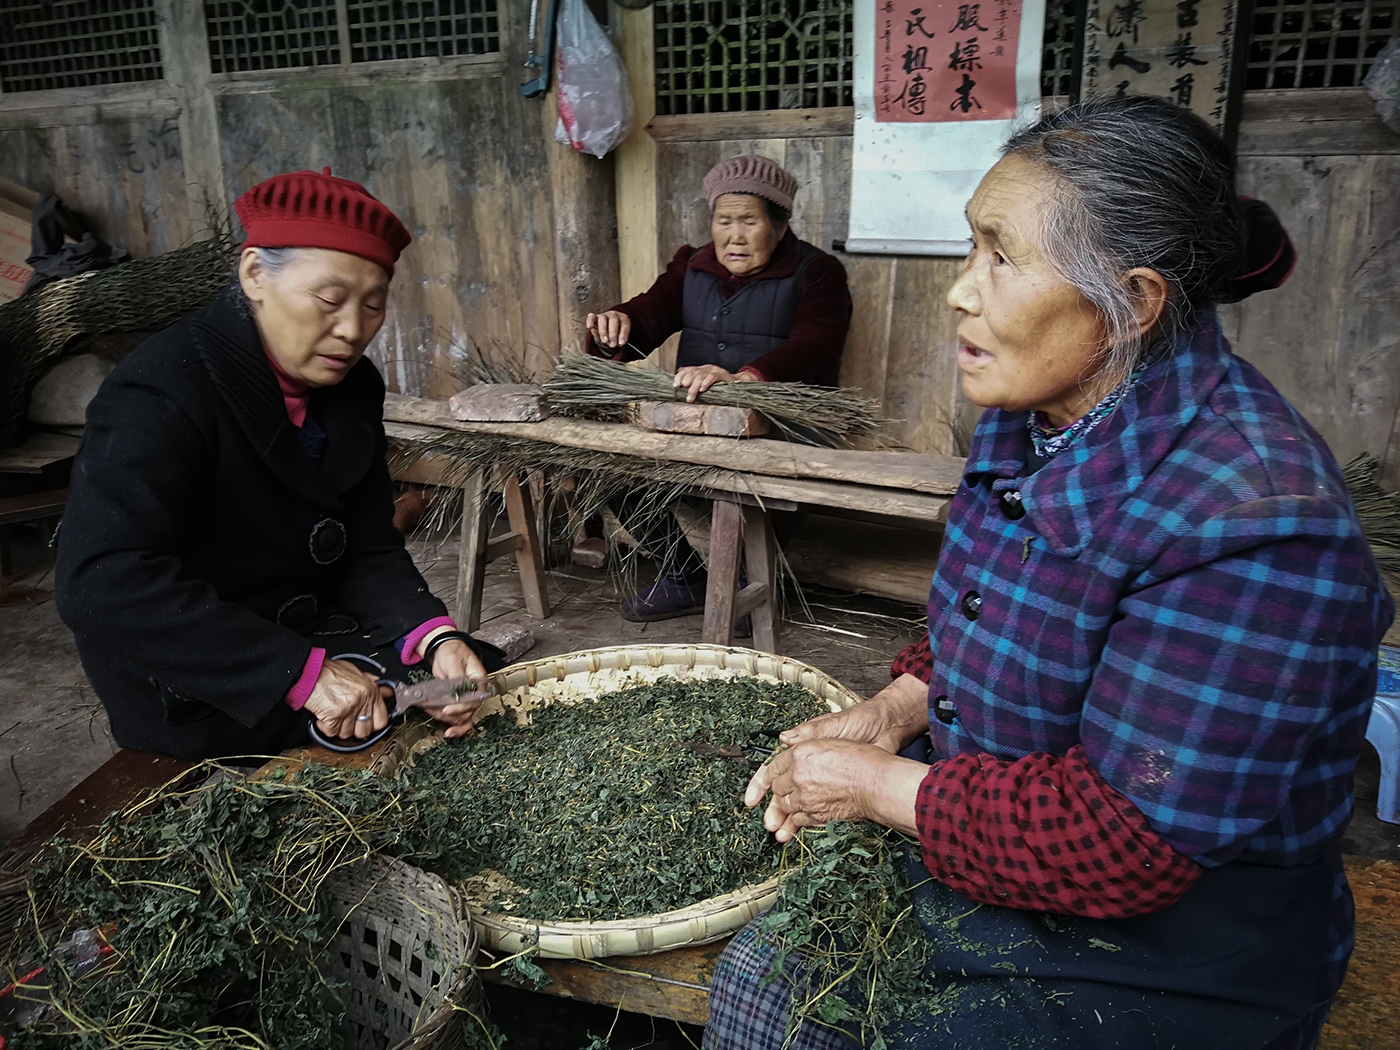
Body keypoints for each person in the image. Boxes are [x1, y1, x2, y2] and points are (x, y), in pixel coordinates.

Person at [703, 95, 1391, 1050]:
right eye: (971, 246)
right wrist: (899, 710)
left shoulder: (1257, 524)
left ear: (1135, 303)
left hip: (1178, 939)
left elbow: (1129, 841)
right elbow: (997, 617)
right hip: (1003, 838)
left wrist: (872, 786)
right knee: (762, 980)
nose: (961, 290)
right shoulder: (1039, 413)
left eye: (1001, 255)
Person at [55, 168, 502, 760]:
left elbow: (367, 542)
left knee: (469, 681)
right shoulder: (161, 389)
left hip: (314, 638)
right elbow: (100, 580)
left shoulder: (351, 387)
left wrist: (429, 633)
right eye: (329, 299)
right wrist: (303, 675)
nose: (352, 330)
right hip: (210, 674)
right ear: (254, 274)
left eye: (373, 306)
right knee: (379, 732)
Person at [584, 155, 852, 623]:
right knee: (611, 471)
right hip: (697, 420)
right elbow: (651, 312)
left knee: (757, 502)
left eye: (749, 221)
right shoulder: (693, 266)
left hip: (782, 427)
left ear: (781, 224)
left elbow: (818, 344)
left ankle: (752, 585)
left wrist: (746, 378)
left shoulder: (818, 271)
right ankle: (685, 575)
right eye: (723, 221)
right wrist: (618, 324)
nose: (734, 235)